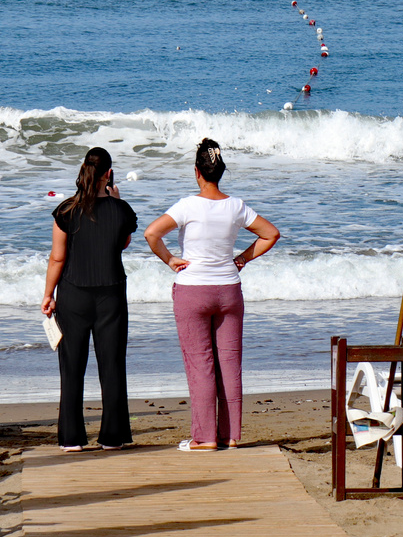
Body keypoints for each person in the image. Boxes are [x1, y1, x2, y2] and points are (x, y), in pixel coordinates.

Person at [144, 139, 279, 451]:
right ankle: (230, 436)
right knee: (229, 363)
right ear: (221, 171)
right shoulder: (236, 206)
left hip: (192, 291)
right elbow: (271, 234)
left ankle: (204, 438)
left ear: (196, 172)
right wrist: (243, 258)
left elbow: (152, 233)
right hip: (229, 290)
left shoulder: (187, 205)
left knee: (200, 363)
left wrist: (169, 259)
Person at [41, 147, 138, 451]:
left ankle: (71, 438)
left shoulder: (66, 211)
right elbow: (121, 243)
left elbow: (58, 259)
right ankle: (112, 436)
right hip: (110, 294)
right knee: (112, 365)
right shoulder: (122, 210)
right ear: (109, 174)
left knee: (72, 367)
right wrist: (117, 200)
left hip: (73, 293)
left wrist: (48, 294)